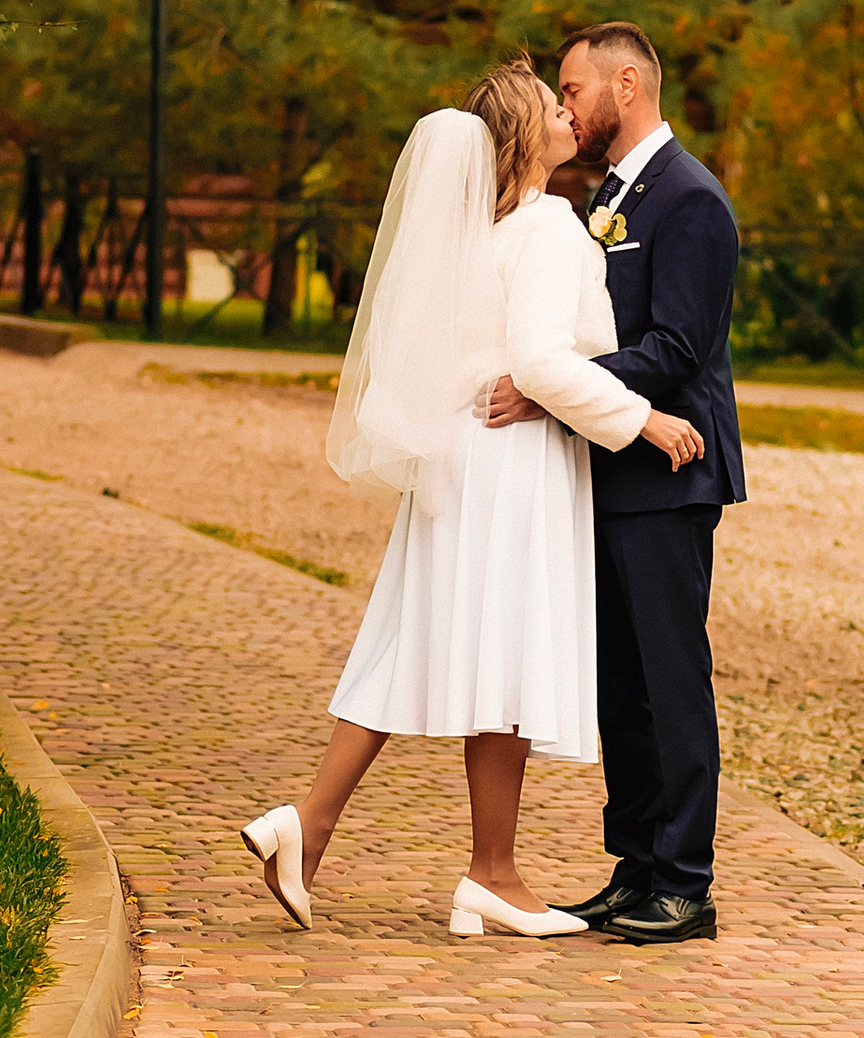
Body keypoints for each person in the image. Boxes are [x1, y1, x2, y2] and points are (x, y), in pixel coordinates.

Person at [236, 58, 707, 940]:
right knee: (507, 655)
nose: (568, 113)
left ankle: (324, 826)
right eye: (551, 106)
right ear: (524, 138)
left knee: (418, 639)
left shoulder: (481, 233)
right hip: (511, 466)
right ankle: (488, 870)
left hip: (461, 460)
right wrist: (644, 421)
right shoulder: (553, 231)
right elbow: (539, 361)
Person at [483, 23, 742, 943]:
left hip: (673, 472)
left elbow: (674, 350)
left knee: (671, 680)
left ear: (626, 84)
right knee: (619, 687)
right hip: (611, 469)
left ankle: (685, 881)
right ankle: (635, 868)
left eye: (574, 88)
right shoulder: (606, 200)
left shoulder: (692, 200)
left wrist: (554, 391)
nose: (568, 106)